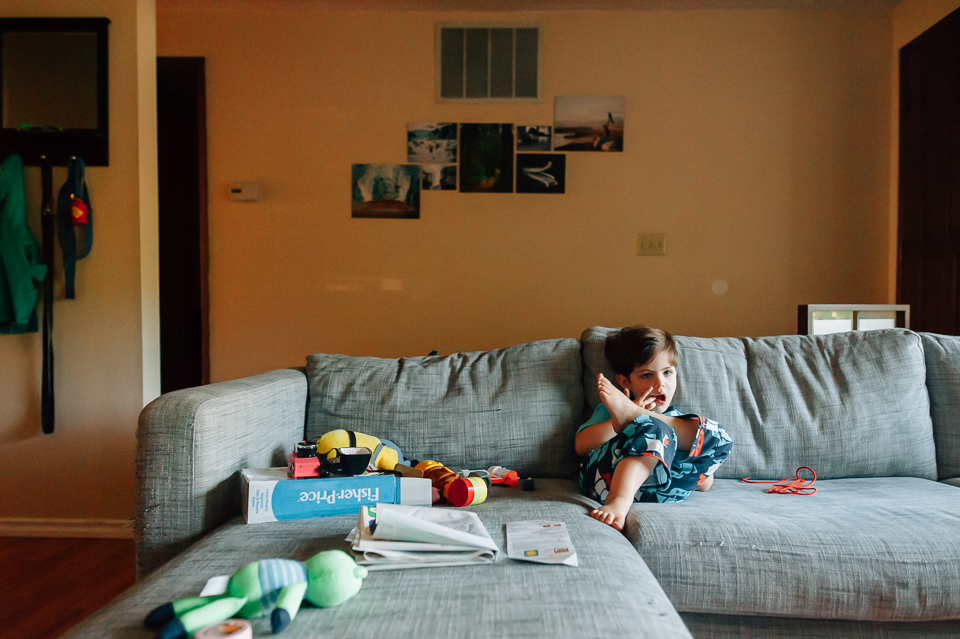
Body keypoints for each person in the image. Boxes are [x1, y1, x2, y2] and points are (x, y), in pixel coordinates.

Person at [575, 326, 733, 530]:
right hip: (605, 481)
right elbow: (581, 446)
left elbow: (704, 485)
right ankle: (619, 502)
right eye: (647, 375)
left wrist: (688, 454)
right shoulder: (613, 408)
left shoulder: (680, 422)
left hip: (662, 491)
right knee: (654, 429)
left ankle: (639, 417)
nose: (661, 383)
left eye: (667, 373)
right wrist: (618, 425)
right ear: (625, 381)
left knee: (718, 437)